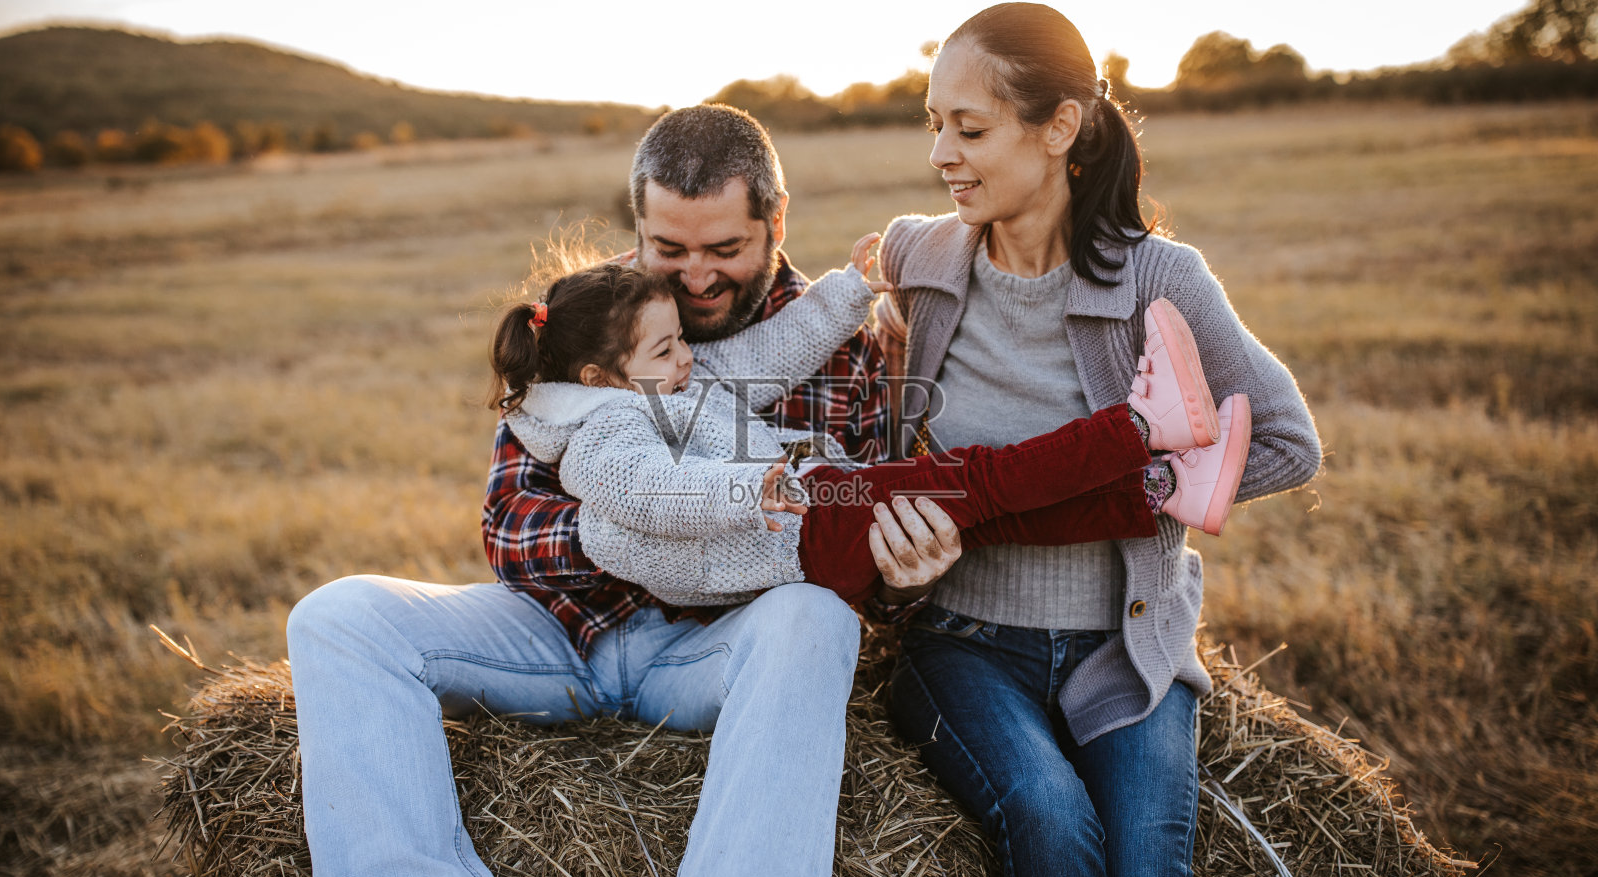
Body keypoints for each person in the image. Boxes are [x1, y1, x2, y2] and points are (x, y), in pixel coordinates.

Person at [285, 105, 927, 877]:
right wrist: (636, 528)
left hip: (712, 650)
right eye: (671, 247)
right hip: (561, 635)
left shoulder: (843, 349)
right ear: (639, 226)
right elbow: (510, 530)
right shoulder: (583, 320)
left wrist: (902, 573)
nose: (697, 276)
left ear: (777, 222)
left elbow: (868, 534)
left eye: (725, 249)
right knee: (339, 616)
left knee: (816, 619)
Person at [873, 3, 1323, 877]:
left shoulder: (1157, 279)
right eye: (933, 123)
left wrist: (1145, 485)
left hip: (1126, 642)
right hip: (963, 645)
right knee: (1046, 816)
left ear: (1060, 128)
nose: (942, 152)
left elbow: (1288, 442)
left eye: (971, 127)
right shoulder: (920, 257)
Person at [488, 242, 1252, 609]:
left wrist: (849, 288)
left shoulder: (668, 383)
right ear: (598, 378)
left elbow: (771, 351)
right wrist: (760, 485)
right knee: (980, 477)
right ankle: (1142, 427)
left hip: (815, 518)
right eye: (667, 347)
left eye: (681, 339)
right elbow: (655, 493)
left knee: (988, 518)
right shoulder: (602, 440)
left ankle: (1158, 492)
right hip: (804, 531)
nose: (690, 357)